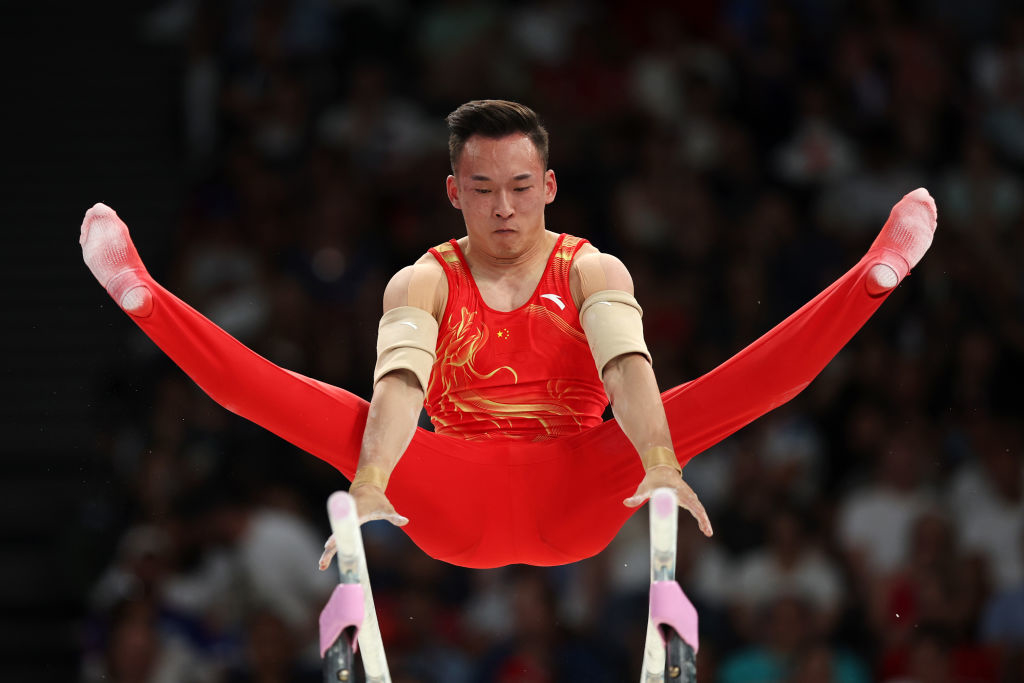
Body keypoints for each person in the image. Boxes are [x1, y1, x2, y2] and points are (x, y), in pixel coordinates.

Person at [80, 99, 937, 569]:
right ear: (454, 191)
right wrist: (374, 478)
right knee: (323, 412)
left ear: (550, 185)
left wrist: (664, 467)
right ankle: (145, 297)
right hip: (451, 498)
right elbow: (401, 388)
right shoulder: (423, 279)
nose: (504, 208)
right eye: (483, 188)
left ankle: (870, 279)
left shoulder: (592, 270)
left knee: (698, 404)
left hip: (582, 489)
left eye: (521, 186)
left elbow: (628, 368)